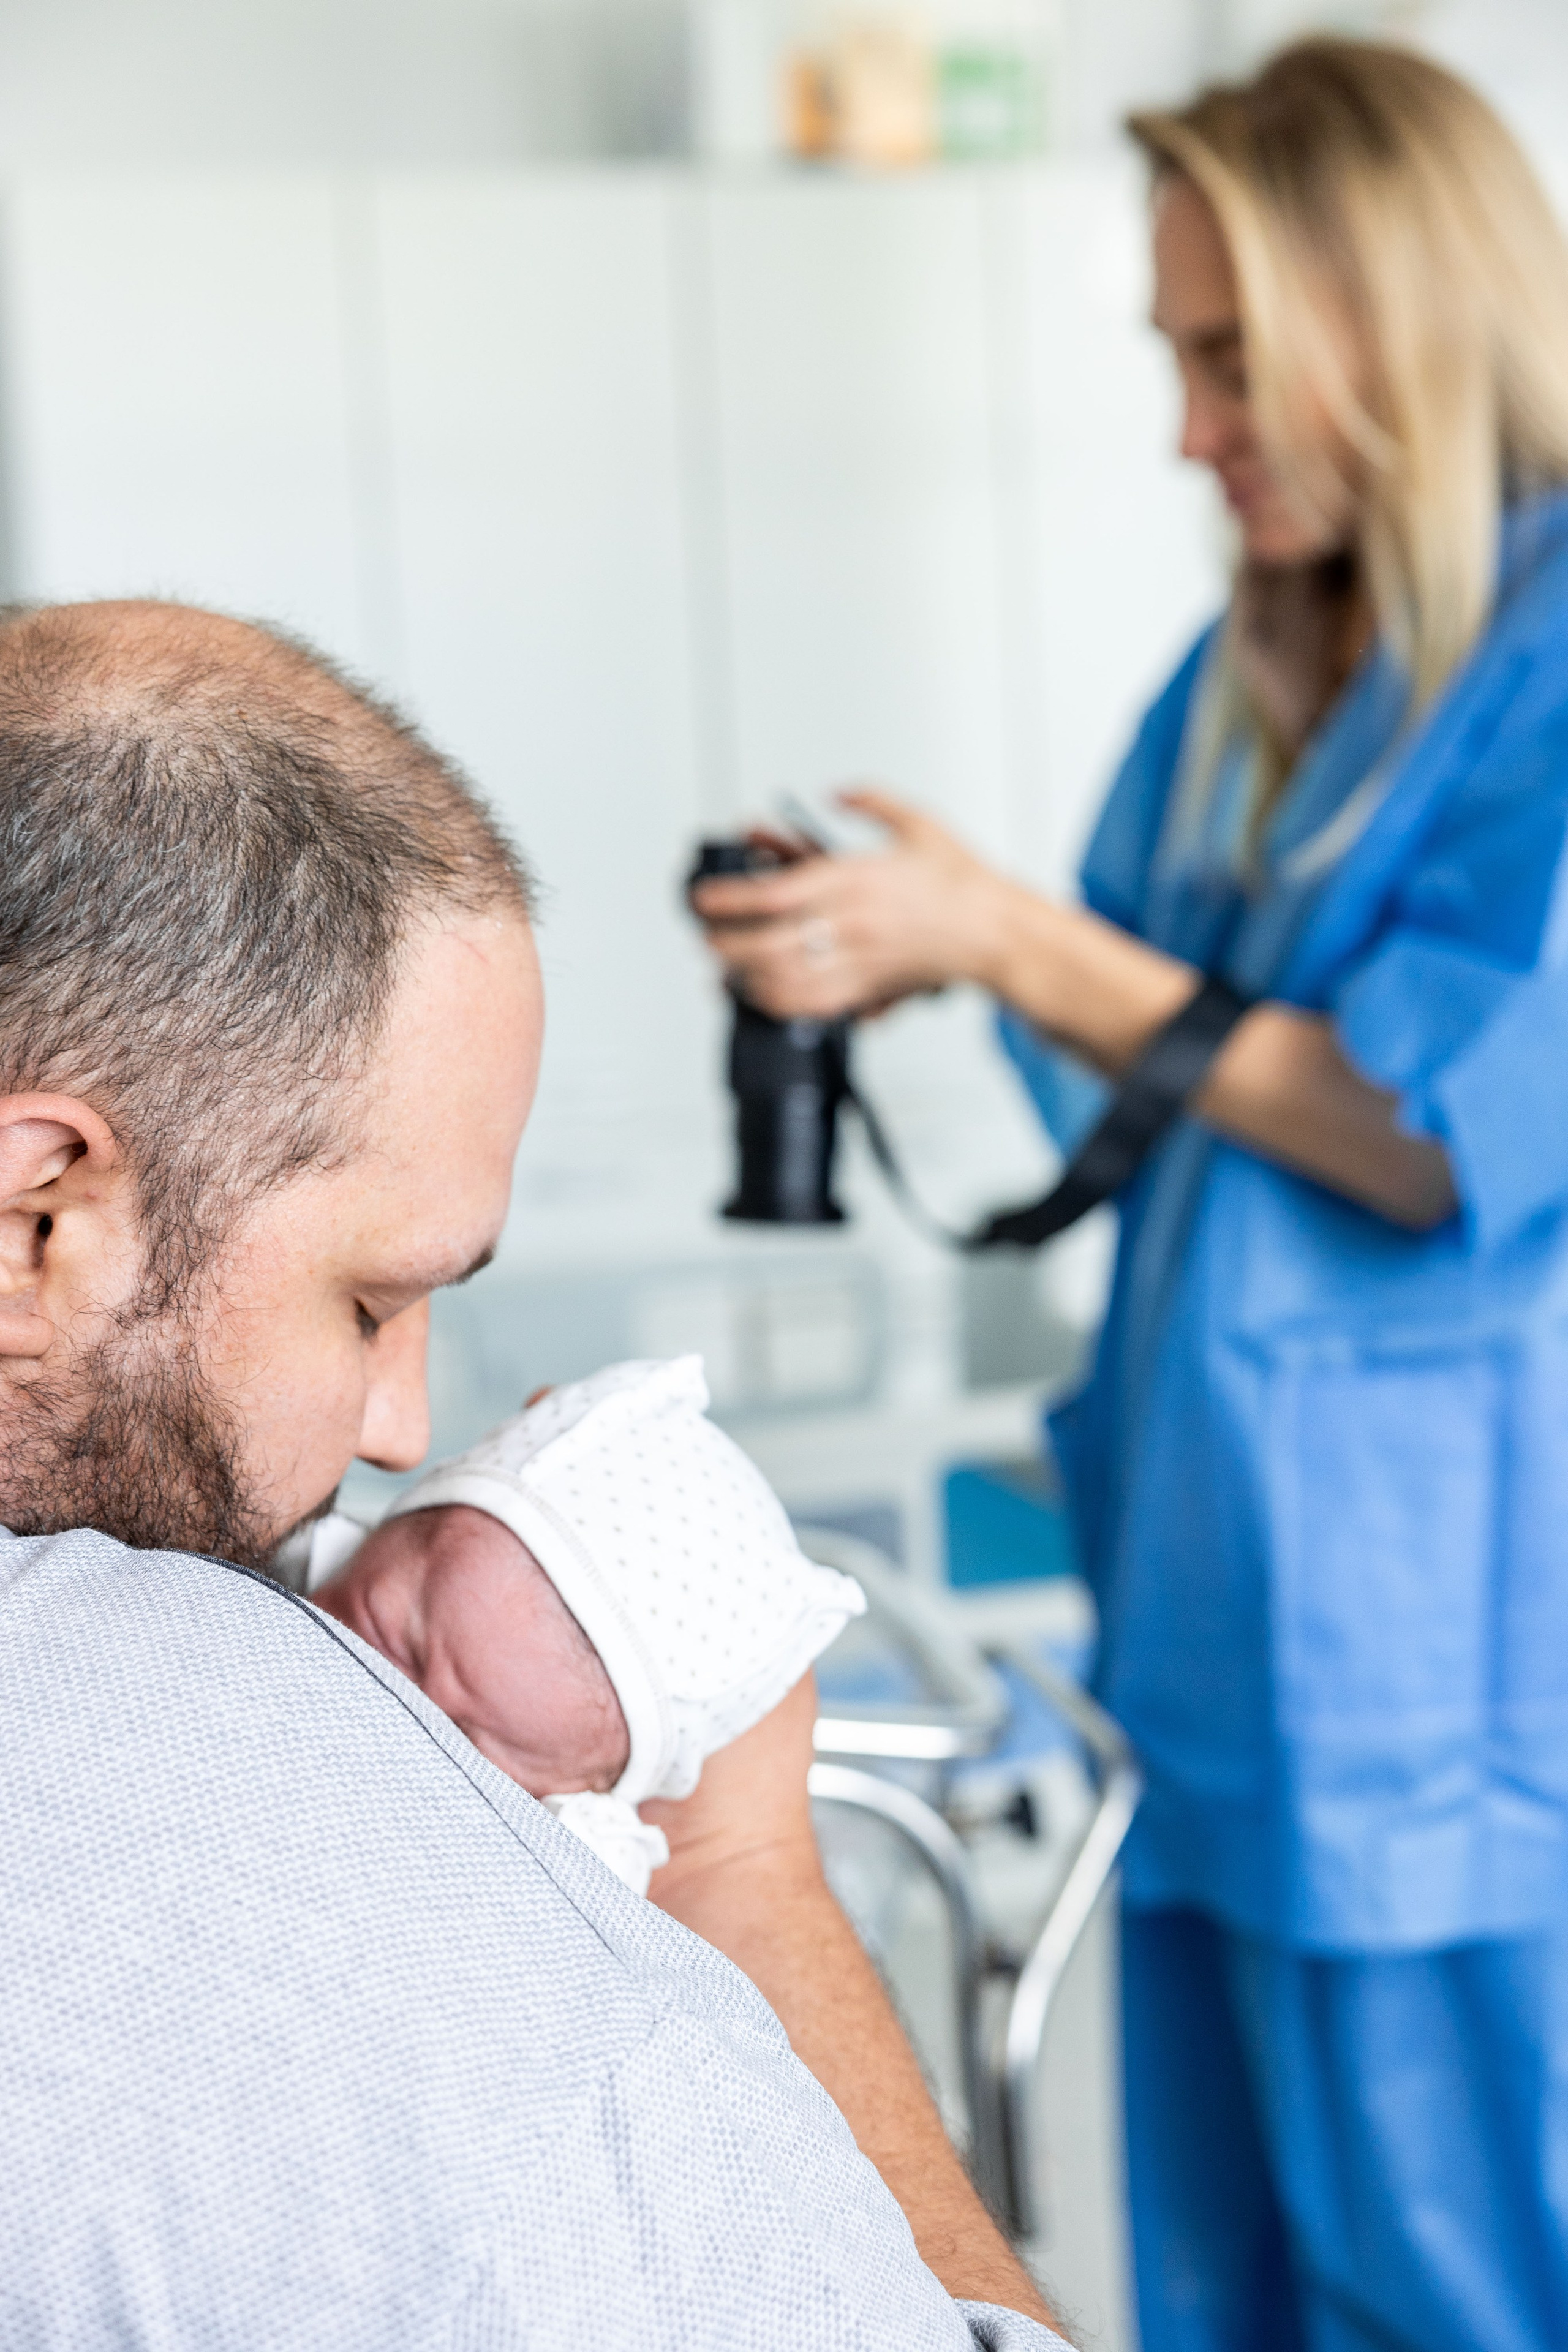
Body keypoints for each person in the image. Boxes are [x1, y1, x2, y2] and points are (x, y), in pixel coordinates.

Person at [695, 39, 1568, 2352]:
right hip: (1206, 1610)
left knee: (1466, 2273)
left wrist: (1013, 939)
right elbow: (1133, 1047)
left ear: (1401, 320)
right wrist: (925, 946)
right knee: (1230, 2276)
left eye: (1224, 359)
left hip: (1444, 1646)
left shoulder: (1552, 663)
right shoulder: (1249, 674)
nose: (1190, 427)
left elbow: (1433, 1121)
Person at [0, 599, 1065, 2348]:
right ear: (44, 1210)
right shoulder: (525, 2075)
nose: (402, 1423)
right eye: (373, 1299)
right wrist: (747, 1879)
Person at [311, 1352, 869, 1895]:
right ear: (394, 1523)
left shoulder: (564, 1878)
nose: (394, 1719)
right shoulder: (253, 1578)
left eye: (469, 1757)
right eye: (386, 1638)